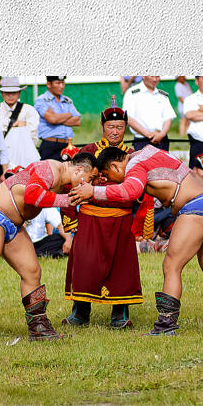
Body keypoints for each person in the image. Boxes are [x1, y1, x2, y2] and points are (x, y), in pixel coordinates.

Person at [70, 145, 203, 336]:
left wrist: (93, 192)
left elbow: (130, 191)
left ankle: (166, 326)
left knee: (171, 266)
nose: (106, 181)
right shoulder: (146, 152)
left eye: (106, 176)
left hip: (196, 205)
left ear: (115, 166)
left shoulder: (134, 166)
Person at [0, 154, 99, 346]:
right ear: (79, 170)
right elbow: (32, 195)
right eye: (90, 179)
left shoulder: (64, 180)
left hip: (13, 224)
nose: (89, 184)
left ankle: (39, 329)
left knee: (32, 272)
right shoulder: (49, 169)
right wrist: (67, 200)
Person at [61, 102, 148, 329]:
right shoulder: (88, 152)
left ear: (125, 128)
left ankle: (119, 315)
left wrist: (142, 227)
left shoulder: (132, 157)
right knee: (86, 264)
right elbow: (69, 185)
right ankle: (80, 313)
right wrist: (70, 225)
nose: (115, 131)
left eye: (120, 127)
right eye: (111, 126)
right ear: (102, 126)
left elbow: (143, 192)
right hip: (90, 218)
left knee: (121, 267)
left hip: (122, 219)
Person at [122, 76, 176, 152]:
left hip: (162, 140)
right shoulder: (132, 93)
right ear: (143, 76)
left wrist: (161, 134)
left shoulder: (162, 95)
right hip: (142, 140)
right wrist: (149, 135)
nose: (155, 79)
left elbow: (168, 118)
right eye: (152, 76)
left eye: (157, 76)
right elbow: (128, 118)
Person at [0, 77, 40, 168]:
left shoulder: (29, 110)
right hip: (1, 155)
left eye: (14, 93)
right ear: (2, 94)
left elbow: (34, 135)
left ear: (19, 94)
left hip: (24, 154)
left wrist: (23, 127)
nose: (10, 96)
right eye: (7, 93)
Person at [34, 76, 81, 161]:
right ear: (49, 84)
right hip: (50, 145)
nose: (61, 86)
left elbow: (77, 121)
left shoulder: (67, 100)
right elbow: (52, 119)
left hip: (68, 145)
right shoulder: (41, 101)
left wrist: (57, 117)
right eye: (58, 83)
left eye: (63, 83)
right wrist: (69, 114)